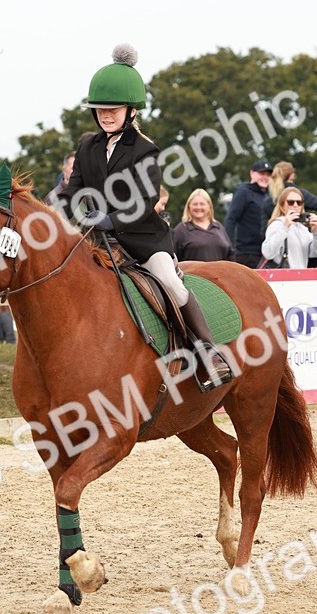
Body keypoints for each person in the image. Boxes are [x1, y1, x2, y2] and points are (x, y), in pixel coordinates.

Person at [59, 44, 232, 387]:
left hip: (143, 239)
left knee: (169, 281)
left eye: (113, 109)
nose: (105, 115)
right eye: (100, 110)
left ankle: (209, 353)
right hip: (96, 238)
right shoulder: (87, 147)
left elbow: (147, 198)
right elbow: (72, 189)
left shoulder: (144, 150)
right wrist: (58, 218)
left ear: (131, 111)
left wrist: (112, 219)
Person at [261, 187, 317, 269]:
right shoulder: (277, 225)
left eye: (299, 202)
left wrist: (316, 232)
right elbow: (268, 253)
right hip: (282, 276)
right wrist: (285, 227)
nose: (295, 205)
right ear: (282, 205)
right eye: (291, 202)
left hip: (300, 276)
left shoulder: (303, 227)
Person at [224, 159, 273, 268]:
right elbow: (231, 219)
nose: (265, 177)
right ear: (252, 173)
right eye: (261, 173)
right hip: (247, 253)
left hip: (265, 252)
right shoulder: (244, 192)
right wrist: (228, 247)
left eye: (267, 174)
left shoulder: (269, 196)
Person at [173, 189, 235, 263]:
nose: (198, 207)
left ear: (209, 206)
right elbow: (172, 258)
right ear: (189, 206)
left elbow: (231, 254)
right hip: (192, 274)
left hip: (219, 274)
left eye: (202, 204)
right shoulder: (182, 229)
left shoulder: (218, 227)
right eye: (195, 204)